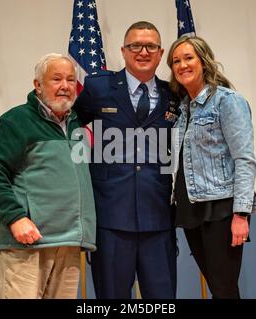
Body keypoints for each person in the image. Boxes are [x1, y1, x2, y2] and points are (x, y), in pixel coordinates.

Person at [0, 53, 96, 299]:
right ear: (38, 85)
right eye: (56, 79)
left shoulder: (76, 124)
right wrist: (15, 218)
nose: (65, 86)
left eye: (70, 80)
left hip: (70, 243)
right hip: (27, 246)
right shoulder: (16, 121)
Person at [73, 21, 177, 299]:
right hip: (111, 219)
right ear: (123, 50)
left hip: (158, 218)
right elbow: (68, 127)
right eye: (135, 46)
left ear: (160, 51)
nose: (143, 52)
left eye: (151, 46)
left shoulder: (174, 94)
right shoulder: (97, 88)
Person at [167, 35, 256, 299]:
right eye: (176, 61)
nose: (182, 65)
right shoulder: (183, 109)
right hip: (190, 207)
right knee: (219, 289)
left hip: (221, 208)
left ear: (203, 61)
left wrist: (241, 213)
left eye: (188, 58)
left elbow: (244, 158)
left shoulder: (227, 101)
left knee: (224, 289)